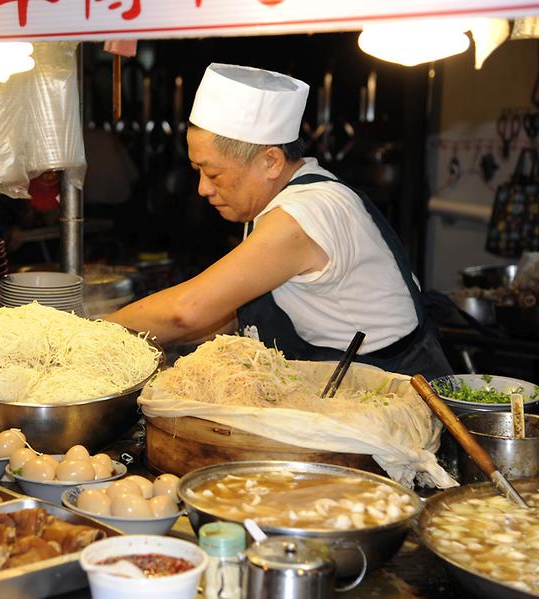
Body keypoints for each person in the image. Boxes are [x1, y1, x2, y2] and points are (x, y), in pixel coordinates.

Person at [105, 64, 452, 380]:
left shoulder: (303, 214)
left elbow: (188, 310)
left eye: (212, 173)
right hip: (354, 381)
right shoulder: (284, 195)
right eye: (197, 171)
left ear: (270, 161)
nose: (202, 189)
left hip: (395, 391)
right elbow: (227, 309)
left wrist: (89, 332)